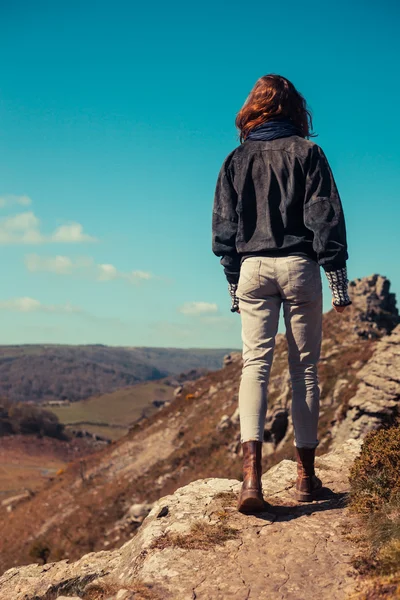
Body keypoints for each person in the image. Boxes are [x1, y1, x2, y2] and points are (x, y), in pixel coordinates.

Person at [212, 74, 352, 514]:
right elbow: (323, 216)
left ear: (253, 108)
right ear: (296, 110)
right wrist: (338, 277)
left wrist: (233, 280)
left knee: (254, 366)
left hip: (253, 268)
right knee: (305, 370)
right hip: (298, 266)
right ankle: (306, 479)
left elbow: (225, 228)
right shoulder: (309, 153)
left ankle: (251, 480)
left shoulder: (236, 159)